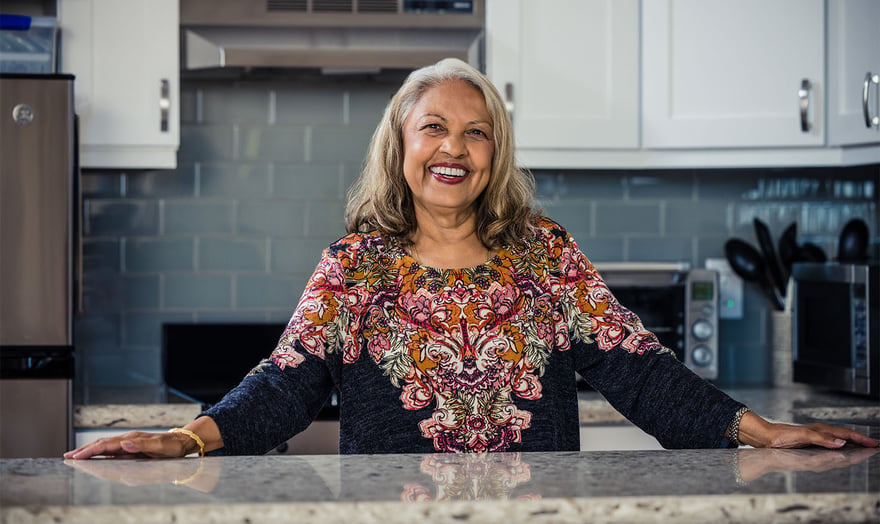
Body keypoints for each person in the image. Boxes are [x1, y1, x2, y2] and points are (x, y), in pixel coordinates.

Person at [65, 58, 878, 460]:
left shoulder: (545, 254)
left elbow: (638, 369)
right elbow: (286, 382)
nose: (454, 147)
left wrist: (754, 429)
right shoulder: (354, 265)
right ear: (402, 147)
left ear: (496, 151)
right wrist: (188, 437)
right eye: (434, 129)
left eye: (476, 131)